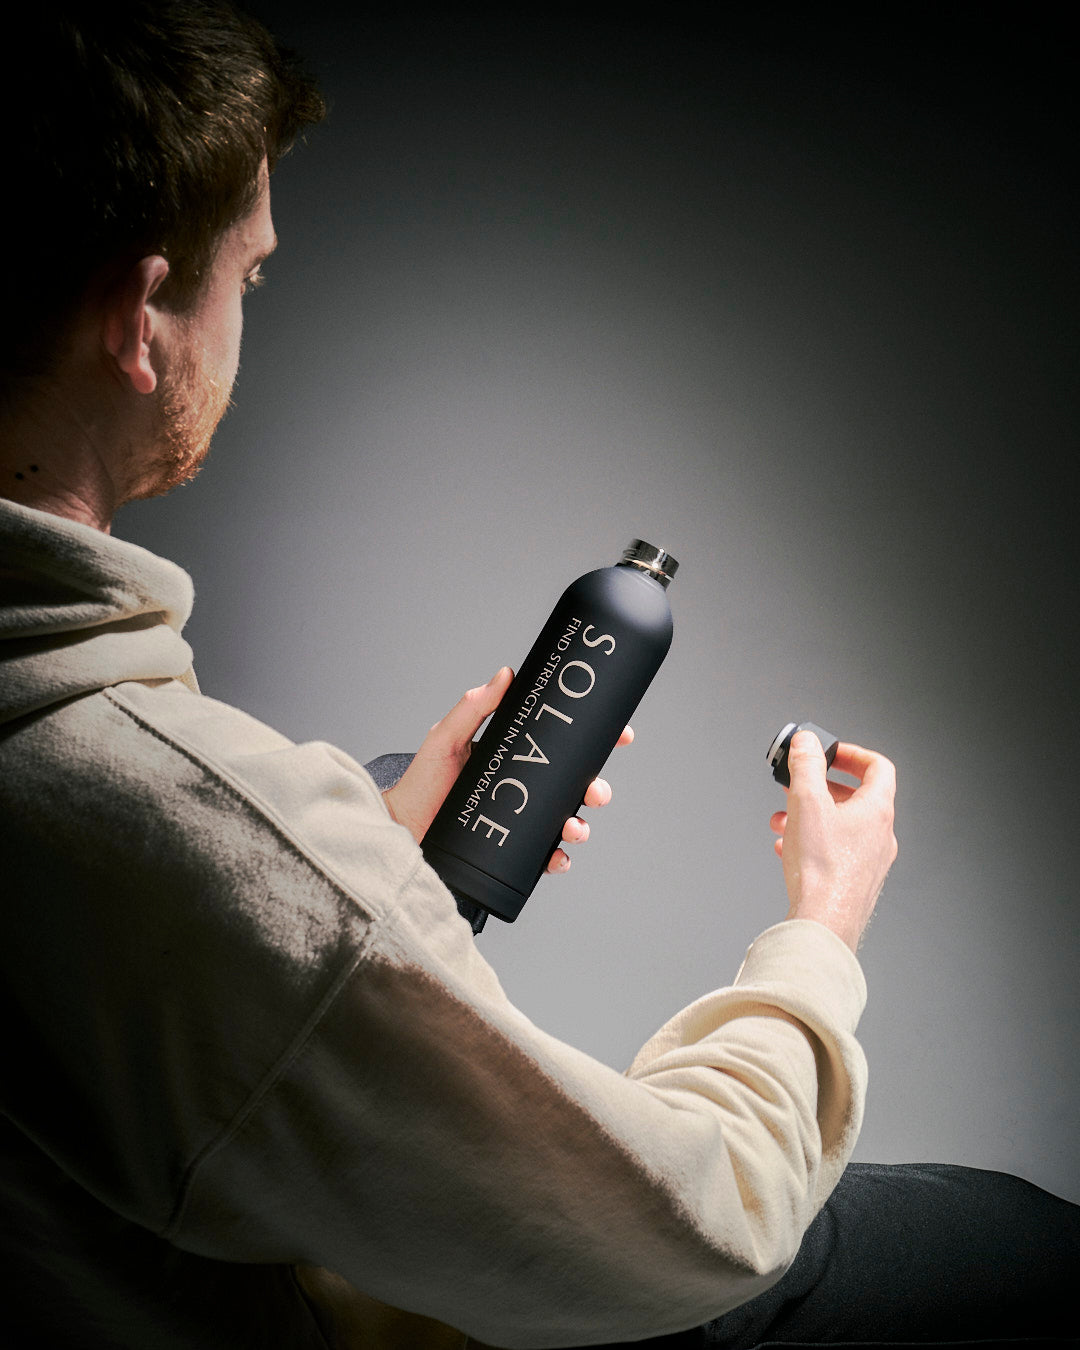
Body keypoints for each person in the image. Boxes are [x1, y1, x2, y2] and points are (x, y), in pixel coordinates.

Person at [1, 5, 1076, 1349]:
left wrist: (367, 856)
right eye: (249, 279)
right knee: (1023, 1247)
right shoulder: (181, 833)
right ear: (138, 319)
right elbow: (705, 1224)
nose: (245, 320)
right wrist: (822, 929)